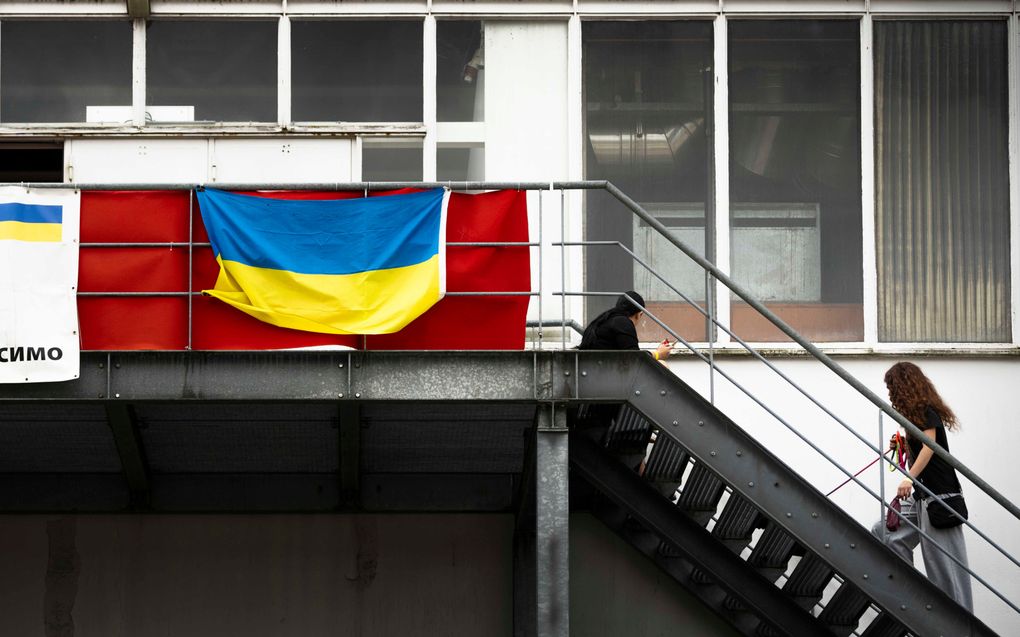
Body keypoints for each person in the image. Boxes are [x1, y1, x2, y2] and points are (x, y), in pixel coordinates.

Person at [872, 362, 972, 611]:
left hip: (940, 498)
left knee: (945, 571)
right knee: (886, 533)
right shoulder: (912, 418)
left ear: (904, 386)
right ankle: (912, 591)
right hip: (922, 498)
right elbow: (918, 454)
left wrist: (908, 478)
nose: (890, 393)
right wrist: (902, 445)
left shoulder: (927, 412)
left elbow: (930, 448)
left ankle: (960, 624)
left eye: (892, 387)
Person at [578, 291, 671, 361]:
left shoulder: (606, 319)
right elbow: (635, 358)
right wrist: (658, 354)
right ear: (640, 314)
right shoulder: (623, 323)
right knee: (663, 365)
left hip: (592, 368)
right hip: (605, 372)